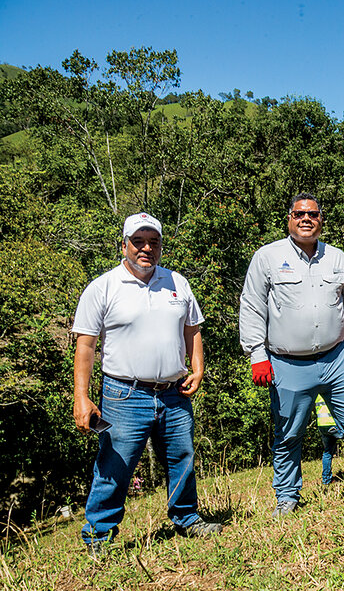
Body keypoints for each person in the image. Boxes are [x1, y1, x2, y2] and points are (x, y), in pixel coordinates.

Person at [72, 213, 222, 556]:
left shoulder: (176, 282)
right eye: (138, 241)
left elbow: (192, 327)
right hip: (124, 394)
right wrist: (81, 397)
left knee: (181, 457)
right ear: (123, 244)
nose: (146, 248)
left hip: (173, 392)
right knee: (115, 464)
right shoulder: (103, 287)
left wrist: (197, 367)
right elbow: (86, 345)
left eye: (153, 242)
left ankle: (187, 519)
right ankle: (98, 536)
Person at [239, 193, 344, 517]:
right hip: (286, 362)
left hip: (337, 358)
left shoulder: (337, 259)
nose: (306, 219)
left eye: (312, 214)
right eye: (299, 214)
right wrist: (256, 353)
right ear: (289, 218)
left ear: (321, 219)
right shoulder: (267, 257)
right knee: (288, 432)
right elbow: (252, 307)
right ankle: (287, 497)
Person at [315, 395, 344, 485]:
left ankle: (326, 480)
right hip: (333, 424)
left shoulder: (317, 395)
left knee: (327, 452)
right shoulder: (330, 391)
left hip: (322, 425)